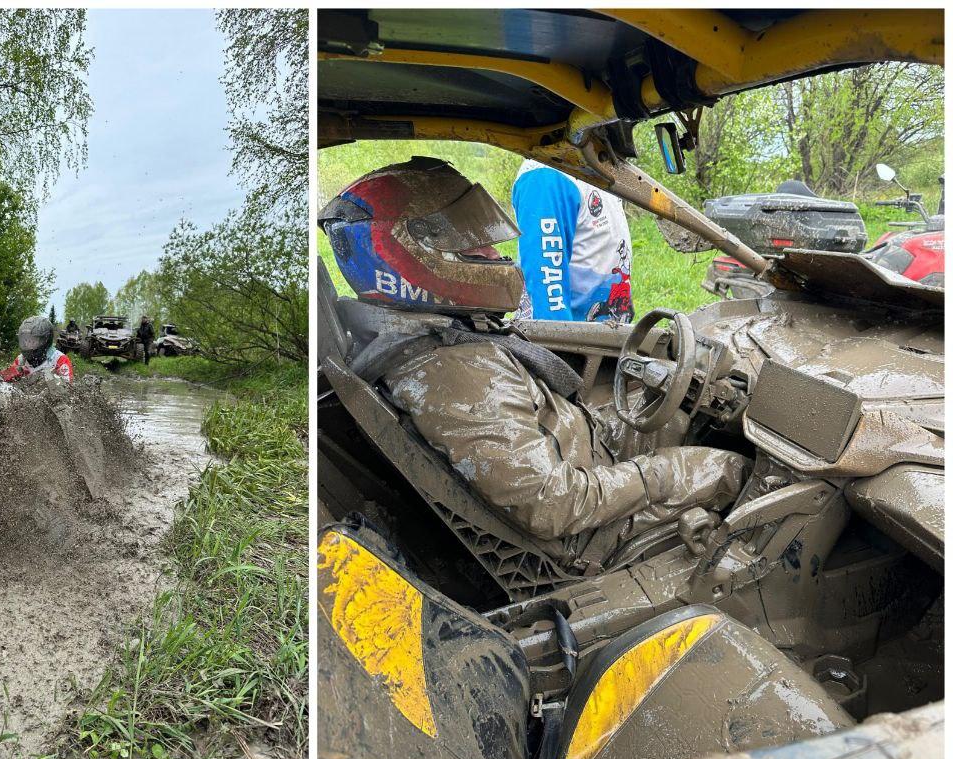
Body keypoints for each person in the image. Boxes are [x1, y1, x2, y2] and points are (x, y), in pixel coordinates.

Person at [319, 158, 747, 568]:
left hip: (584, 452)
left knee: (689, 416)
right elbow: (555, 507)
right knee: (742, 470)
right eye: (472, 246)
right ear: (412, 260)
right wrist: (665, 475)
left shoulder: (441, 339)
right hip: (594, 528)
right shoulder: (454, 376)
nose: (492, 254)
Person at [511, 159, 634, 323]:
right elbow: (547, 288)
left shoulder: (593, 166)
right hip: (571, 342)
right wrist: (556, 344)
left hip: (605, 335)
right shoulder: (546, 177)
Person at [0, 315, 73, 383]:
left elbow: (67, 388)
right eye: (25, 340)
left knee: (48, 374)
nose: (28, 344)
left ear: (45, 340)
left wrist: (46, 376)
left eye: (33, 340)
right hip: (25, 394)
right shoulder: (21, 359)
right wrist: (10, 374)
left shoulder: (60, 359)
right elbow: (3, 381)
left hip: (48, 395)